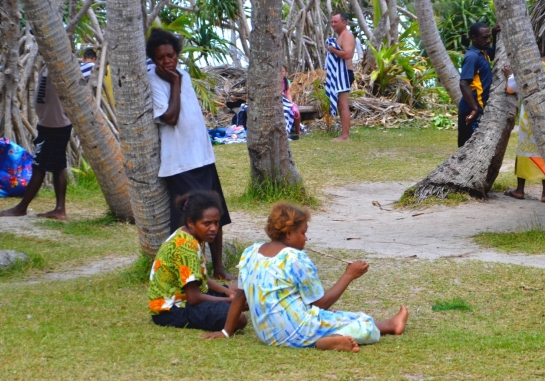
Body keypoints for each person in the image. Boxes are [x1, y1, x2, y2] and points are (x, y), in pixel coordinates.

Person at [202, 202, 408, 352]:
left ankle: (329, 338)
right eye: (303, 233)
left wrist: (226, 331)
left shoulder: (251, 252)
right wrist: (349, 275)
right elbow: (320, 304)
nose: (306, 238)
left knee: (334, 317)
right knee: (355, 320)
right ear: (289, 234)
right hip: (298, 329)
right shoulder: (294, 258)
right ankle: (383, 327)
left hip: (268, 335)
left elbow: (240, 296)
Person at [146, 28, 234, 281]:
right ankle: (190, 271)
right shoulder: (156, 79)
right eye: (160, 58)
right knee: (191, 218)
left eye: (170, 56)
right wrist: (173, 83)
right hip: (180, 163)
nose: (166, 62)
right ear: (154, 59)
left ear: (177, 54)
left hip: (202, 157)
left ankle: (217, 266)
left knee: (214, 212)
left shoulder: (182, 74)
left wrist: (177, 79)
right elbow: (170, 117)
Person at [149, 190, 248, 331]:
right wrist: (229, 301)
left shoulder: (192, 236)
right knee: (238, 318)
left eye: (216, 222)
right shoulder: (186, 246)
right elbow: (194, 298)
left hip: (189, 296)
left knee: (240, 290)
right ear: (191, 222)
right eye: (207, 223)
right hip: (171, 310)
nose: (213, 228)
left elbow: (198, 277)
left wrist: (227, 292)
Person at [0, 62, 73, 220]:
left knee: (39, 166)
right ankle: (60, 210)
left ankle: (21, 208)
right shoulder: (48, 64)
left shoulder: (62, 63)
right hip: (48, 123)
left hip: (56, 125)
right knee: (58, 167)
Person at [502, 43, 545, 203]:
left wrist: (510, 75)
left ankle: (520, 190)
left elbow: (511, 88)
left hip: (531, 113)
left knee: (526, 149)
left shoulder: (531, 65)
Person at [458, 22, 501, 147]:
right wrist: (474, 109)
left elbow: (494, 53)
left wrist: (494, 33)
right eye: (484, 37)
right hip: (471, 108)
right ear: (473, 38)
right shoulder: (472, 56)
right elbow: (463, 83)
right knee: (466, 146)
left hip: (480, 107)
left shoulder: (483, 52)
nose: (487, 40)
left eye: (489, 37)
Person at [326, 12, 356, 142]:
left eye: (335, 22)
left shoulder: (347, 36)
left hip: (345, 73)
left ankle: (345, 136)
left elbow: (347, 55)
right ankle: (343, 134)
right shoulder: (340, 36)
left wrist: (333, 50)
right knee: (340, 104)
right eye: (332, 22)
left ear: (344, 22)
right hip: (339, 74)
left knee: (343, 104)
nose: (333, 24)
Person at [282, 65, 301, 140]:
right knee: (284, 112)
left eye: (282, 71)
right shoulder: (274, 82)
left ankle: (298, 131)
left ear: (286, 72)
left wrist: (290, 104)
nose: (280, 73)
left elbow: (288, 94)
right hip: (278, 103)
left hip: (285, 101)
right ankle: (285, 132)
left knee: (296, 111)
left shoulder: (286, 82)